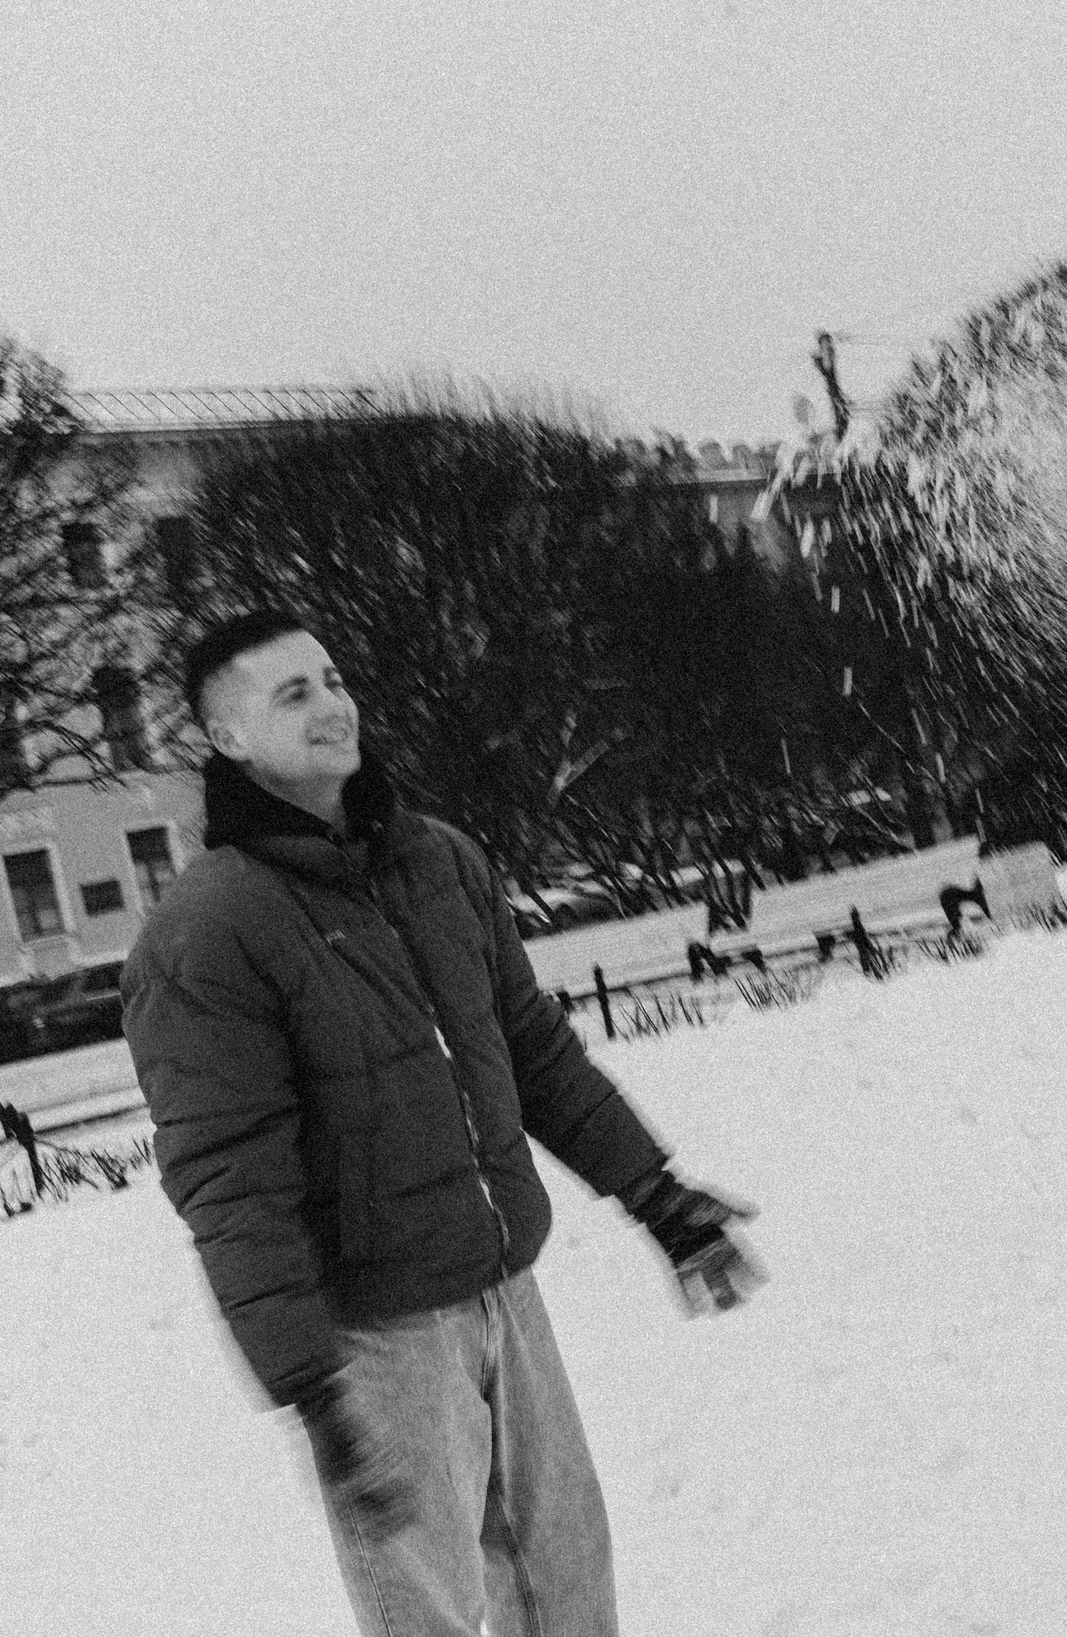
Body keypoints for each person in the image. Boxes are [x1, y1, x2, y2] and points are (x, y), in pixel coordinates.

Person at [122, 608, 764, 1637]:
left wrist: (659, 1198)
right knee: (430, 1615)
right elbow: (229, 1176)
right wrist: (310, 1387)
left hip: (504, 1286)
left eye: (333, 679)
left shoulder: (439, 862)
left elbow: (533, 1052)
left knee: (566, 1585)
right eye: (294, 693)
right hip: (374, 1338)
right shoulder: (210, 929)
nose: (334, 704)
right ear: (228, 739)